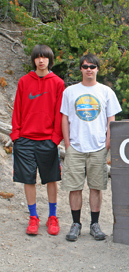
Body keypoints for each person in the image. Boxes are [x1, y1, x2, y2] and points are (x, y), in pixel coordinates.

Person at [60, 53, 122, 241]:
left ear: (97, 69)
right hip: (76, 147)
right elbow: (65, 118)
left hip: (98, 148)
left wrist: (107, 145)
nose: (89, 70)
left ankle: (94, 224)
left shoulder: (106, 92)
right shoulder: (70, 91)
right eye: (85, 66)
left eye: (92, 67)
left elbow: (111, 121)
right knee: (74, 187)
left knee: (96, 187)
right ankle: (76, 224)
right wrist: (68, 145)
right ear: (80, 68)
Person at [11, 44, 65, 236]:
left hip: (47, 141)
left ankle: (52, 216)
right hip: (25, 139)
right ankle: (33, 217)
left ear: (50, 60)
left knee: (51, 179)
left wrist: (55, 138)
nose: (41, 61)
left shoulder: (58, 83)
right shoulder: (24, 82)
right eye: (37, 57)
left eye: (44, 58)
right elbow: (17, 108)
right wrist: (16, 135)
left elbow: (60, 113)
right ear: (33, 60)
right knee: (28, 180)